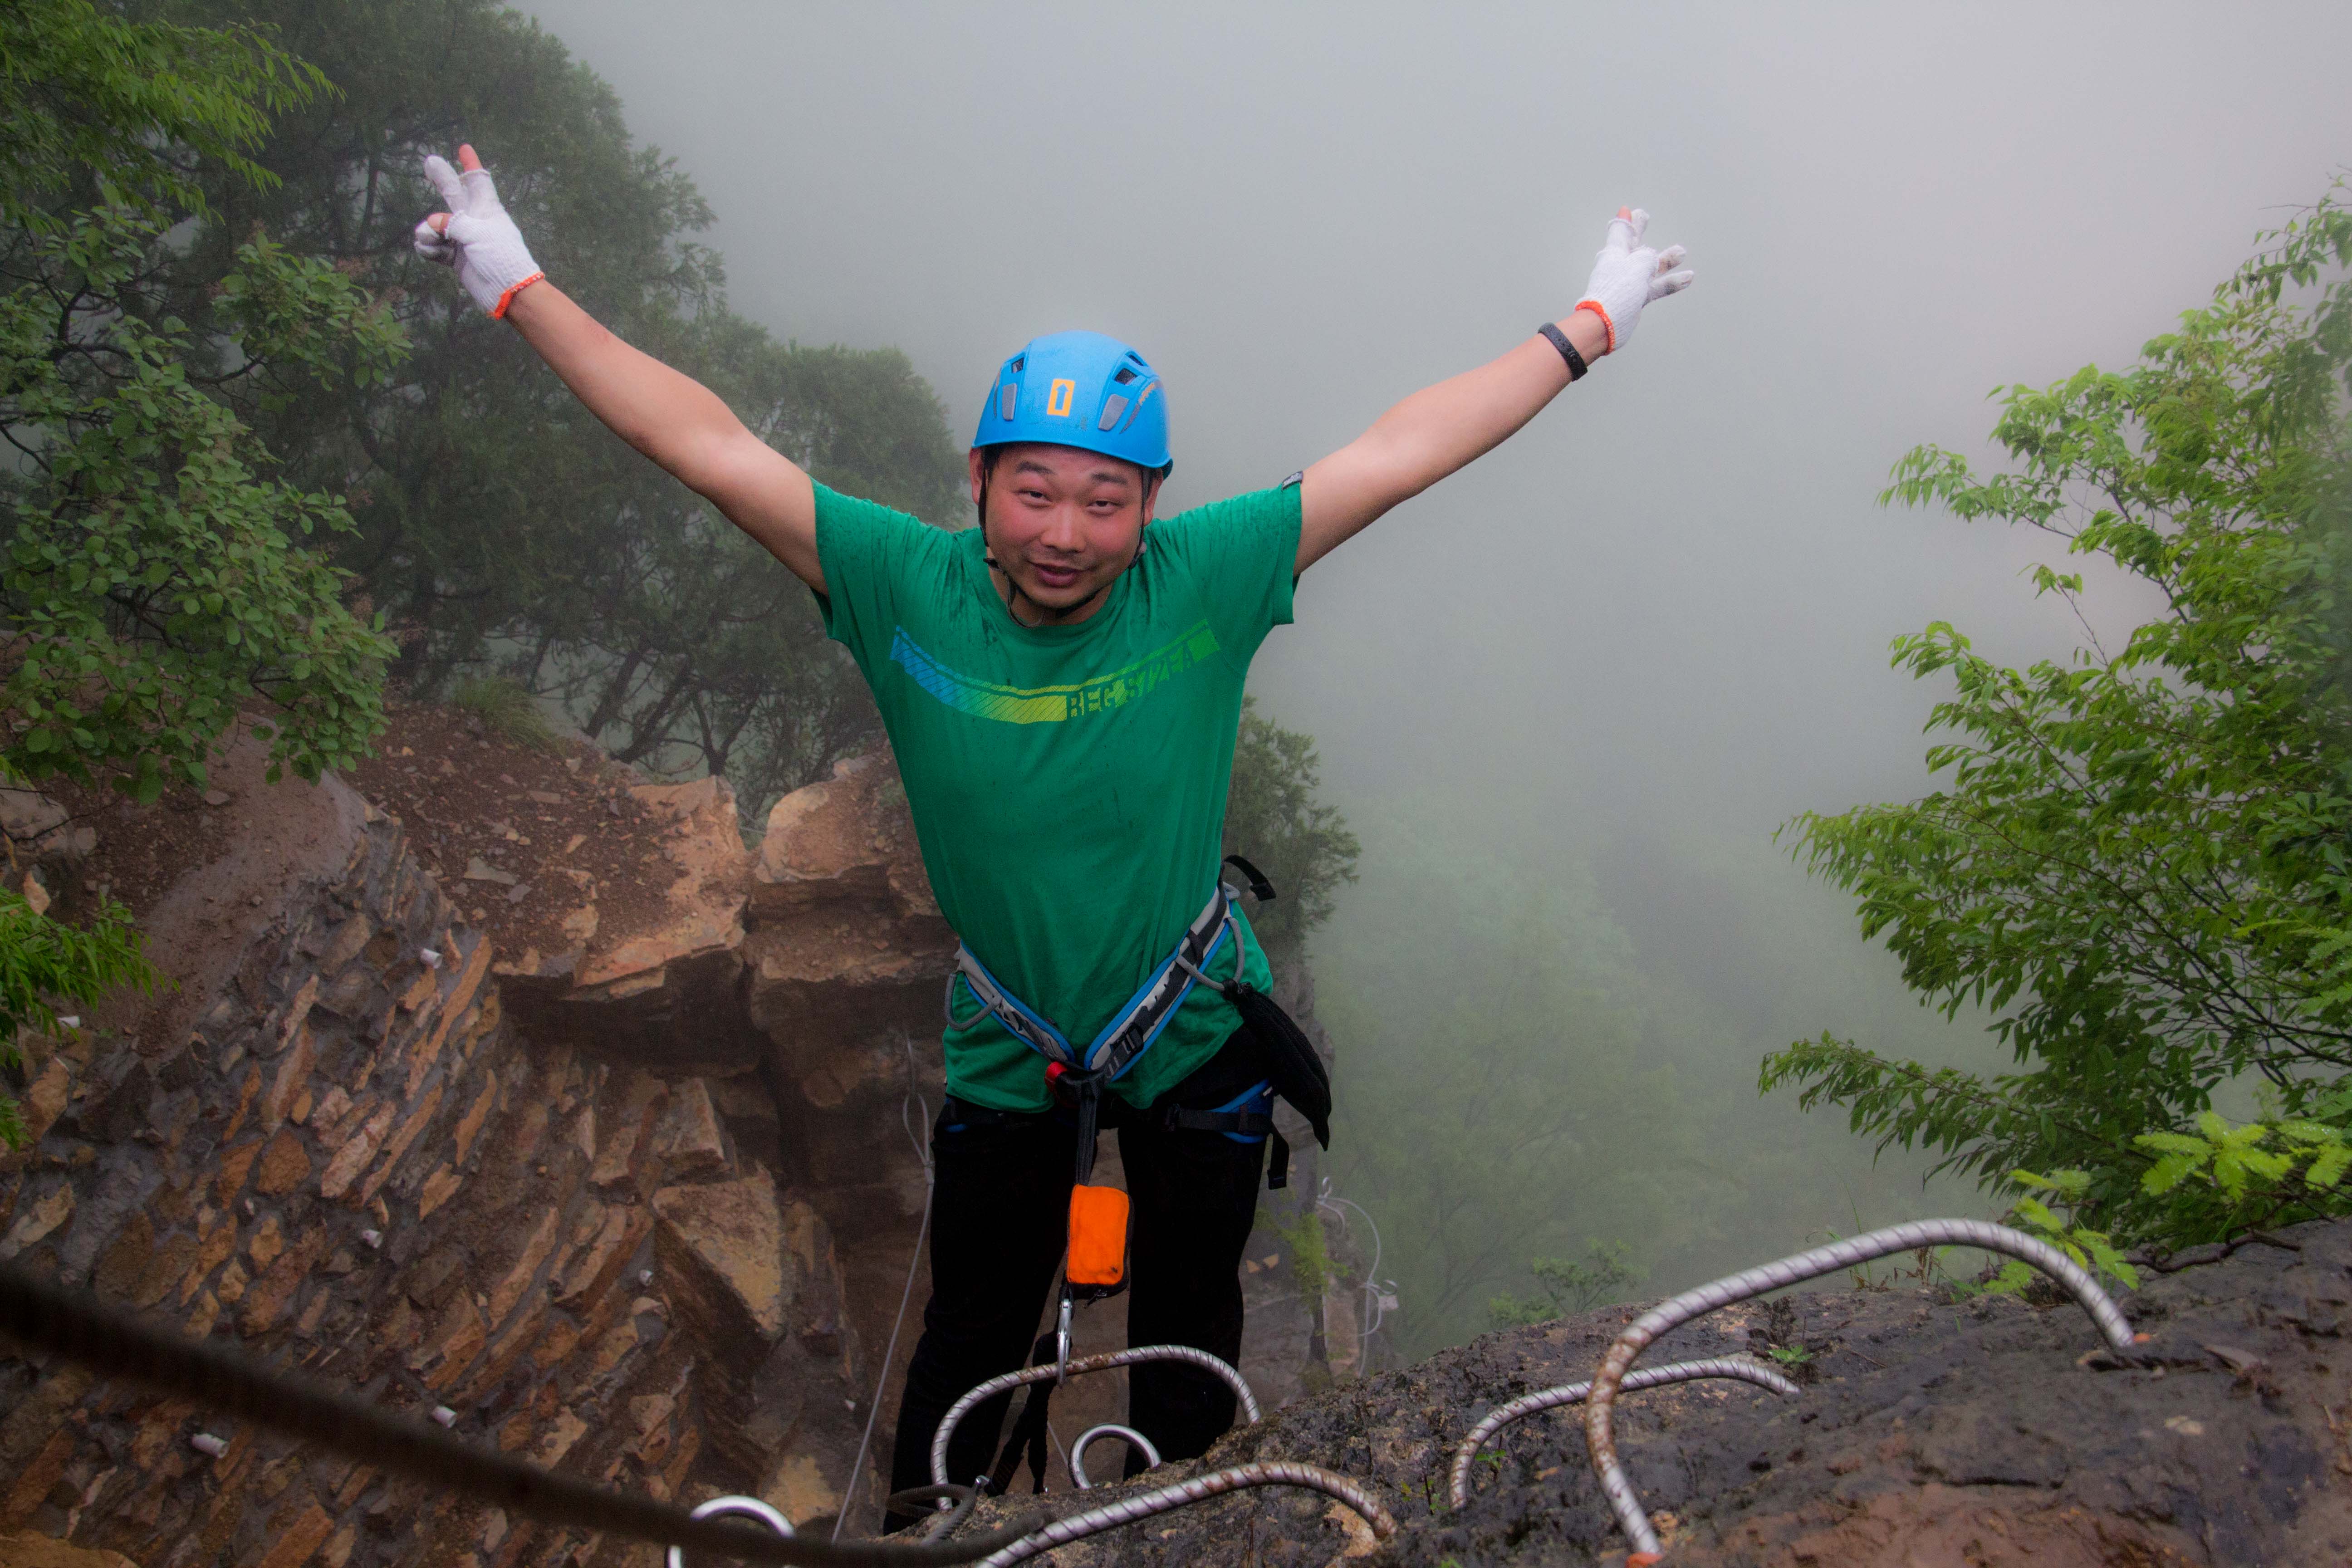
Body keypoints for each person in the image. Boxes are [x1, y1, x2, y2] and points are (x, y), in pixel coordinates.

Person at [414, 144, 1691, 1515]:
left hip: (1193, 1023)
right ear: (978, 482)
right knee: (971, 1334)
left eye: (1105, 499)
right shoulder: (903, 587)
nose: (1065, 532)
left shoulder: (1202, 581)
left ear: (1154, 506)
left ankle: (1189, 1530)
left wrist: (1589, 327)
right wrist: (520, 289)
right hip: (1013, 1044)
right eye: (1034, 491)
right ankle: (930, 1539)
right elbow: (708, 447)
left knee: (1190, 1334)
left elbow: (1400, 454)